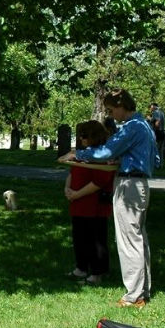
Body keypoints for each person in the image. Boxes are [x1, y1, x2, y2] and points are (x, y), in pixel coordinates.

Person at [59, 89, 157, 308]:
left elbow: (105, 153)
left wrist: (77, 154)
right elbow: (154, 159)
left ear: (122, 105)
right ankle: (143, 290)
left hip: (130, 186)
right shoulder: (145, 126)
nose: (112, 115)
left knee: (129, 241)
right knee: (139, 238)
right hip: (138, 183)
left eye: (112, 110)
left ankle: (134, 296)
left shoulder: (132, 127)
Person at [63, 120, 114, 285]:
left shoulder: (101, 156)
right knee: (79, 237)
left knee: (96, 239)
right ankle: (81, 268)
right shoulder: (83, 153)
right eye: (80, 135)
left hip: (94, 205)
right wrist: (67, 189)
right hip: (78, 204)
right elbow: (72, 171)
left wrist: (77, 194)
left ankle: (97, 273)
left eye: (84, 135)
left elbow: (100, 181)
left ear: (93, 136)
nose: (81, 138)